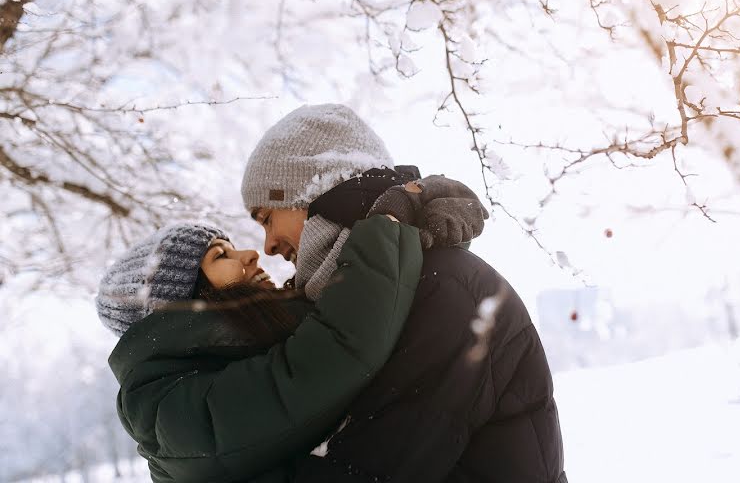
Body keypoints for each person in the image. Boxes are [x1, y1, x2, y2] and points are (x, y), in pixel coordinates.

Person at [240, 104, 566, 482]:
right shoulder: (365, 301)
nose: (267, 246)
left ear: (313, 191)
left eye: (267, 218)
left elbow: (369, 467)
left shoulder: (444, 288)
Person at [97, 179, 486, 482]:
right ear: (180, 299)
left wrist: (426, 214)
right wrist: (391, 221)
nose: (250, 253)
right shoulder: (165, 410)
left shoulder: (247, 348)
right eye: (220, 256)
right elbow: (337, 350)